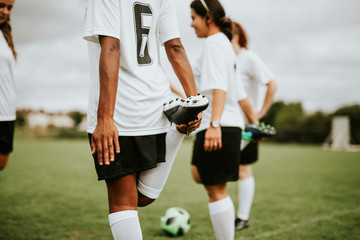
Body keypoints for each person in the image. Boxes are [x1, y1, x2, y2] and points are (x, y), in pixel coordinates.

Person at [83, 1, 204, 239]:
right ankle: (178, 129)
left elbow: (112, 47)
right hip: (157, 105)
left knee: (123, 204)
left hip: (121, 112)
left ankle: (178, 128)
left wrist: (105, 118)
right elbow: (175, 47)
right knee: (142, 197)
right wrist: (194, 100)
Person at [189, 1, 259, 239]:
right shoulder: (226, 46)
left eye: (194, 18)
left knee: (216, 190)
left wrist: (215, 125)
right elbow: (239, 94)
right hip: (228, 124)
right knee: (201, 176)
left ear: (208, 17)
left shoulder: (214, 43)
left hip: (218, 125)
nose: (191, 24)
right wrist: (254, 123)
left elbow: (219, 87)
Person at [231, 21, 277, 230]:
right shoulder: (224, 58)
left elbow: (272, 84)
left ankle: (242, 217)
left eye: (228, 36)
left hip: (246, 127)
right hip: (226, 123)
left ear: (238, 37)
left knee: (243, 170)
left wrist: (260, 113)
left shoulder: (248, 58)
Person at [0, 0, 16, 171]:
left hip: (6, 113)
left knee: (2, 163)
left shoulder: (5, 35)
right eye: (1, 5)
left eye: (9, 8)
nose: (5, 11)